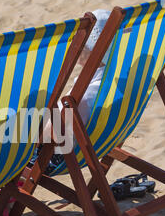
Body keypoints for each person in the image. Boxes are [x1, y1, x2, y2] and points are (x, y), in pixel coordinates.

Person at [31, 9, 112, 174]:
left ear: (95, 51)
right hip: (96, 146)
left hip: (52, 157)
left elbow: (50, 134)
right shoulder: (115, 81)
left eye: (83, 43)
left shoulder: (85, 96)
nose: (77, 45)